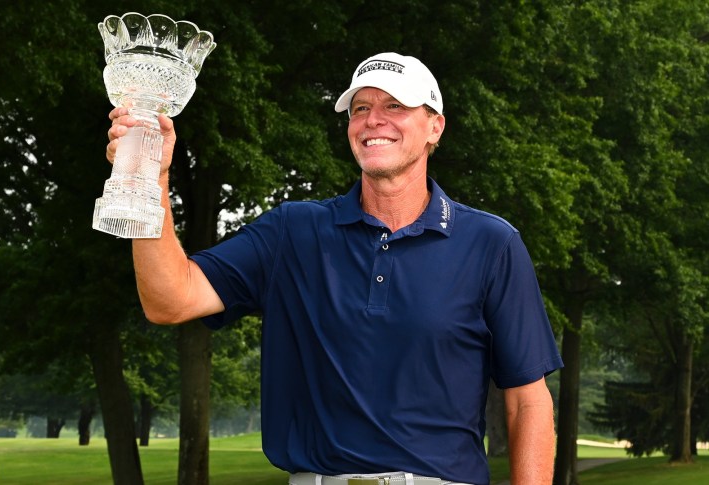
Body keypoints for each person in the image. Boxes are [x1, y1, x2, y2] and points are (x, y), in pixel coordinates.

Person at [106, 52, 563, 485]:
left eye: (395, 105)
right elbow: (169, 299)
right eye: (360, 107)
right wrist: (151, 180)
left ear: (434, 127)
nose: (373, 120)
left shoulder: (491, 243)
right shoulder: (294, 231)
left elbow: (528, 403)